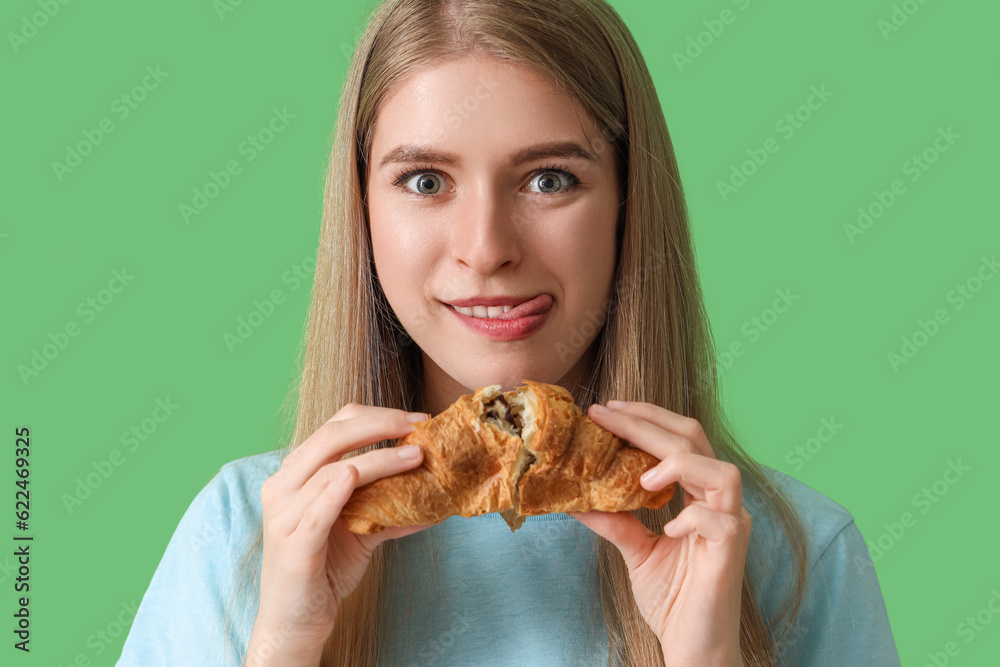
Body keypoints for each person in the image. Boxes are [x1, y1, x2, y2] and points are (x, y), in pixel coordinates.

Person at [117, 1, 901, 665]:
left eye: (549, 178)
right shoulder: (244, 534)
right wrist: (285, 641)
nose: (487, 246)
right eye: (425, 181)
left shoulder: (794, 557)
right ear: (361, 210)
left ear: (629, 201)